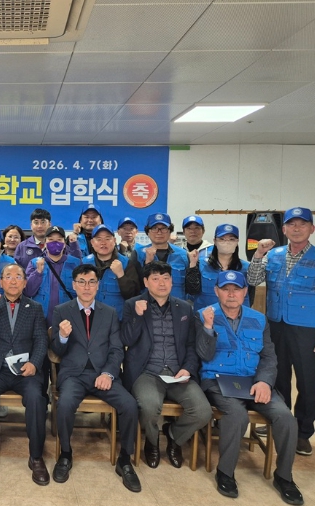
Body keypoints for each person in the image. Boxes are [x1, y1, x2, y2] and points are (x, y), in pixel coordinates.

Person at [196, 270, 303, 505]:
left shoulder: (259, 319)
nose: (231, 294)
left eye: (236, 289)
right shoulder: (204, 314)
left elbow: (269, 357)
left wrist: (264, 381)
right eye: (225, 289)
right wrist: (208, 327)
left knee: (286, 417)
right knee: (237, 415)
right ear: (216, 291)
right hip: (218, 381)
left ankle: (284, 477)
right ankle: (225, 473)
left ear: (245, 292)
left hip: (253, 382)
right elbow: (203, 355)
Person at [50, 264, 140, 491]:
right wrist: (62, 336)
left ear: (98, 286)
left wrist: (108, 373)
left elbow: (116, 349)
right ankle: (65, 454)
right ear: (74, 285)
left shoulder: (110, 313)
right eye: (81, 282)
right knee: (65, 404)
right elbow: (56, 351)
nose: (86, 287)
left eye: (91, 282)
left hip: (103, 374)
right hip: (74, 375)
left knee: (130, 405)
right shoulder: (61, 310)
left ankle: (125, 459)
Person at [120, 261, 212, 470]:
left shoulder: (184, 307)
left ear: (172, 281)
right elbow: (126, 339)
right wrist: (137, 316)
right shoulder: (132, 305)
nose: (161, 283)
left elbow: (191, 345)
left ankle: (174, 436)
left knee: (202, 411)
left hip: (177, 372)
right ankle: (152, 442)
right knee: (149, 407)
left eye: (166, 278)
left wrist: (187, 368)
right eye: (155, 279)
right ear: (145, 282)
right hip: (147, 372)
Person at [0, 264, 50, 486]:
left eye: (18, 277)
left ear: (25, 283)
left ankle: (36, 457)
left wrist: (34, 363)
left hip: (25, 370)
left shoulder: (35, 308)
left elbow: (41, 340)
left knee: (36, 399)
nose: (13, 280)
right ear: (1, 282)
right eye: (8, 276)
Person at [247, 206, 315, 457]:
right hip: (276, 324)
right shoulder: (272, 255)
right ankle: (280, 420)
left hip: (307, 328)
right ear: (283, 229)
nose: (297, 229)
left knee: (308, 381)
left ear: (311, 229)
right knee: (278, 376)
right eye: (292, 224)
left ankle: (303, 432)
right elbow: (253, 280)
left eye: (302, 224)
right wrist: (258, 255)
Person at [133, 213, 200, 300]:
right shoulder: (138, 254)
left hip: (177, 305)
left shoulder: (183, 254)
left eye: (164, 228)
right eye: (154, 228)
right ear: (148, 232)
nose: (159, 232)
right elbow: (135, 288)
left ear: (170, 231)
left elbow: (192, 288)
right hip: (148, 305)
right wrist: (147, 264)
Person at [82, 224, 140, 320]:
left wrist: (121, 276)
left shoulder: (126, 263)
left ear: (114, 241)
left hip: (118, 320)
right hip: (90, 319)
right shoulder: (84, 263)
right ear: (92, 242)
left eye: (107, 239)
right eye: (99, 239)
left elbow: (133, 295)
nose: (103, 243)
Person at [25, 225, 80, 326]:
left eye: (59, 240)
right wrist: (38, 272)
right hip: (40, 319)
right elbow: (28, 292)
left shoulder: (75, 263)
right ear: (45, 243)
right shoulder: (34, 263)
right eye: (51, 240)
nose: (55, 243)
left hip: (68, 319)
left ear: (64, 243)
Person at [193, 224, 251, 311]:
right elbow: (192, 291)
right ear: (215, 241)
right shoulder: (200, 264)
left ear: (237, 242)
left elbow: (249, 294)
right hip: (205, 315)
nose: (226, 242)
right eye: (222, 239)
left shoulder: (246, 267)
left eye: (231, 239)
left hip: (234, 316)